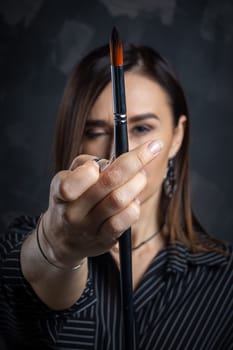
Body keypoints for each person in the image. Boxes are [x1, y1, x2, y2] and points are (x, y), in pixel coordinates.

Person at [0, 43, 232, 350]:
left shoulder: (224, 278)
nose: (117, 153)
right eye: (95, 132)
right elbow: (34, 272)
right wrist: (57, 249)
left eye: (142, 128)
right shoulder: (17, 246)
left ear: (177, 136)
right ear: (74, 137)